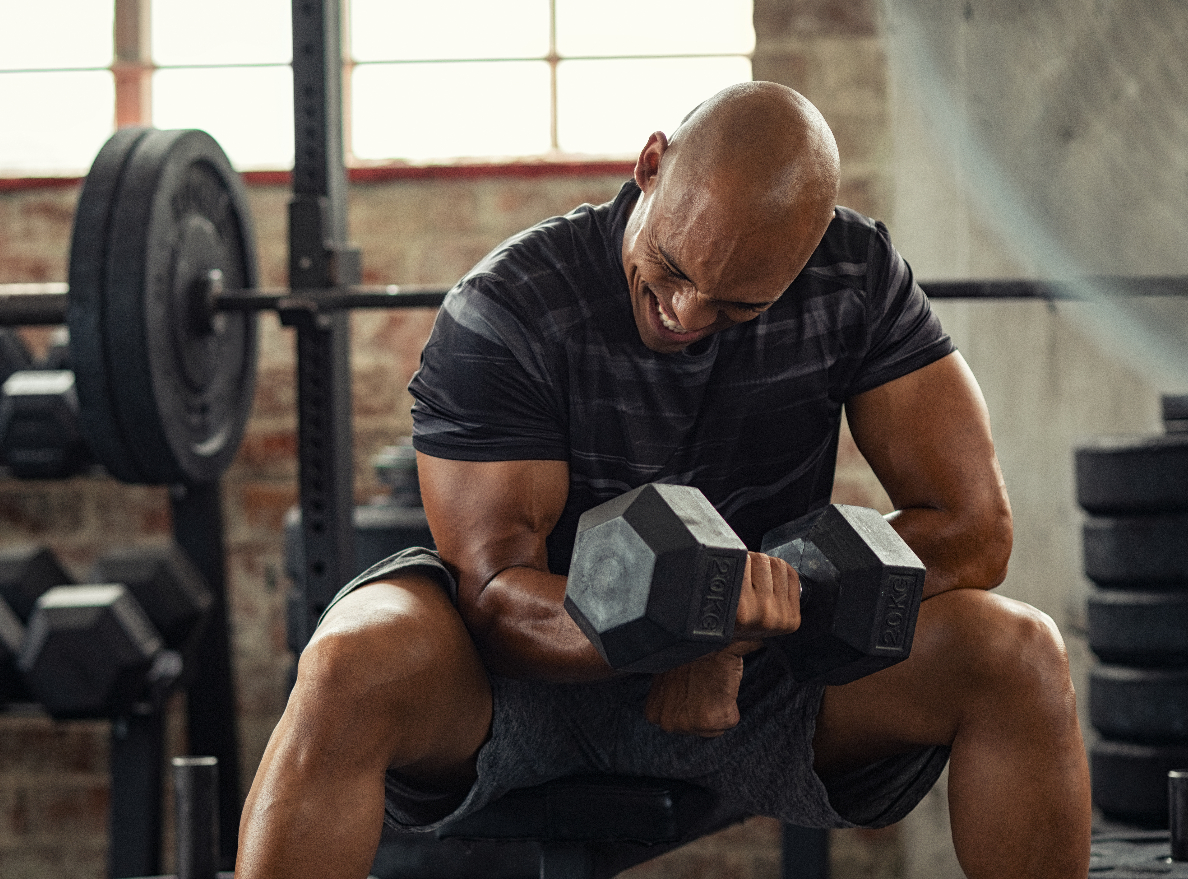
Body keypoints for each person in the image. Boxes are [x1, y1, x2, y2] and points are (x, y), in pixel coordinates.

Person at [235, 82, 1091, 879]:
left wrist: (743, 629)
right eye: (674, 270)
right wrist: (681, 630)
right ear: (650, 166)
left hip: (764, 680)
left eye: (735, 306)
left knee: (1019, 655)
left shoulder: (852, 277)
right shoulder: (511, 305)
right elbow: (495, 596)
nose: (684, 315)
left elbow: (976, 529)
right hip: (529, 685)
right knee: (351, 658)